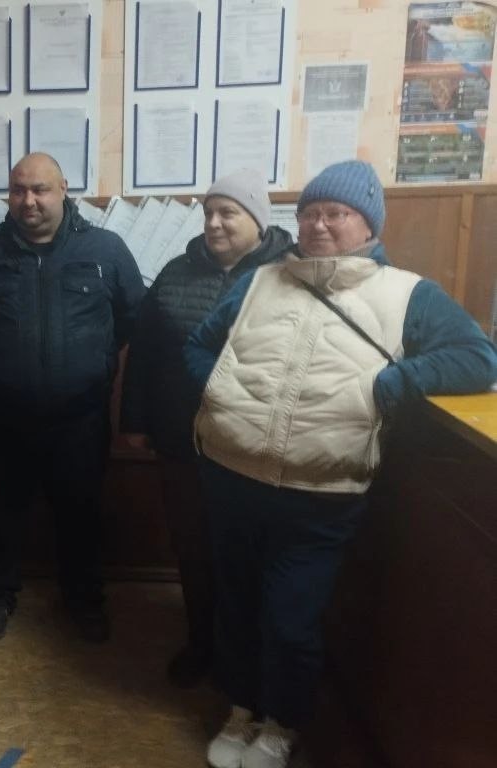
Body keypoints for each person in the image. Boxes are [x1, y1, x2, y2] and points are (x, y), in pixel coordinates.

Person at [185, 160, 497, 768]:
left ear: (368, 224)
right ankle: (242, 708)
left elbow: (476, 357)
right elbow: (200, 344)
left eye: (335, 213)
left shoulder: (407, 294)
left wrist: (391, 383)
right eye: (308, 213)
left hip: (322, 494)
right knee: (236, 605)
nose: (318, 225)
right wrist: (217, 392)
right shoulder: (259, 282)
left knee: (290, 619)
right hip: (230, 478)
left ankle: (280, 724)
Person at [0, 153, 146, 644]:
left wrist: (89, 365)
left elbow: (130, 319)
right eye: (18, 190)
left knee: (81, 514)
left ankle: (84, 599)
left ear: (63, 190)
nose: (28, 200)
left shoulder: (105, 250)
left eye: (40, 189)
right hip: (2, 419)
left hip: (80, 420)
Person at [120, 169, 293, 689]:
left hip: (258, 447)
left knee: (253, 555)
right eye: (208, 212)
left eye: (228, 213)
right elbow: (144, 354)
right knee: (193, 549)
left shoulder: (290, 274)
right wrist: (135, 420)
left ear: (258, 220)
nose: (214, 223)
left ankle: (249, 655)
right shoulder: (176, 273)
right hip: (183, 442)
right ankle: (201, 643)